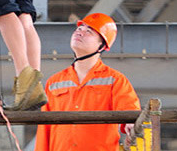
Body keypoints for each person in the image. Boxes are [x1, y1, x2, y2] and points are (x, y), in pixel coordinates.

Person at [34, 13, 141, 151]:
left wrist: (131, 123)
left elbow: (129, 109)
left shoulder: (115, 80)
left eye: (88, 31)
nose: (80, 32)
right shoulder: (54, 82)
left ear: (102, 46)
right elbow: (44, 129)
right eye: (79, 29)